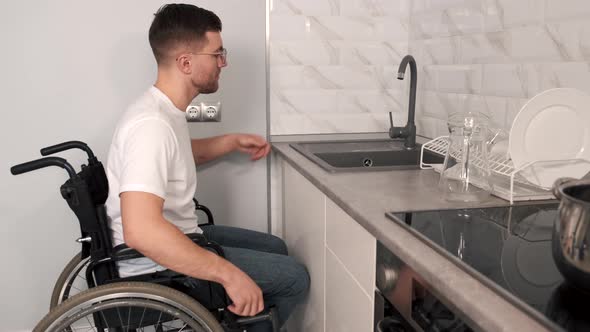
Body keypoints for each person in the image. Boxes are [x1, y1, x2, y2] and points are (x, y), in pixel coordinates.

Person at [104, 4, 309, 331]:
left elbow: (176, 157)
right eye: (217, 54)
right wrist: (228, 274)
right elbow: (140, 230)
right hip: (153, 264)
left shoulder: (164, 111)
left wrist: (229, 142)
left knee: (276, 247)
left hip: (180, 233)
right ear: (186, 62)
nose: (223, 63)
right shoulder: (151, 126)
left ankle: (243, 317)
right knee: (295, 278)